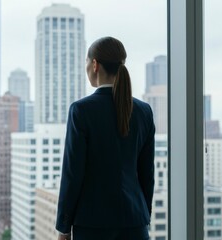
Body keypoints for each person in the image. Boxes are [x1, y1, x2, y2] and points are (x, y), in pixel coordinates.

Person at [55, 37, 155, 240]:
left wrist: (64, 227)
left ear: (94, 65)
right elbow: (147, 173)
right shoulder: (144, 111)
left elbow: (73, 175)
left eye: (86, 61)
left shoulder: (81, 110)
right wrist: (143, 214)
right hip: (135, 223)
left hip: (92, 224)